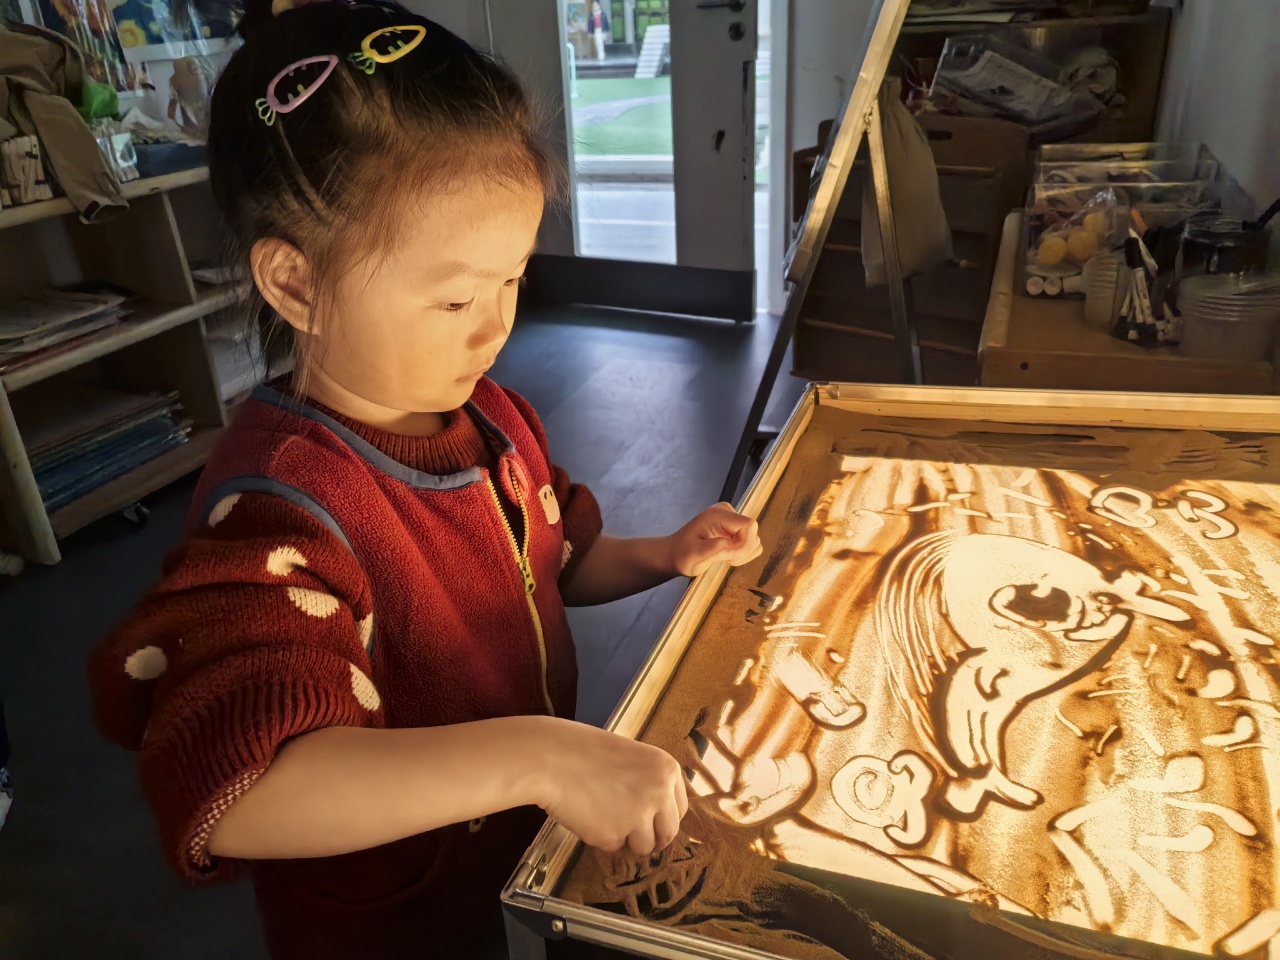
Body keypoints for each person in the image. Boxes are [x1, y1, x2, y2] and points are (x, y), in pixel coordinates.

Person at [87, 2, 762, 958]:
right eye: (453, 299)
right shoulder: (281, 507)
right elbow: (240, 792)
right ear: (296, 284)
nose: (494, 327)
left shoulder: (493, 418)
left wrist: (662, 554)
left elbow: (555, 559)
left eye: (512, 279)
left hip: (507, 856)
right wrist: (540, 755)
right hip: (391, 920)